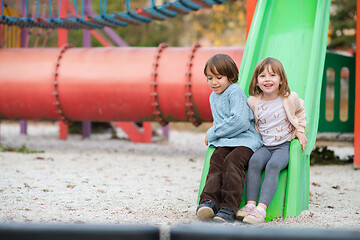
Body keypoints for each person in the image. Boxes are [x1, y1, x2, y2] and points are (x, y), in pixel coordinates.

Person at [236, 57, 307, 224]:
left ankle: (261, 209)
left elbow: (300, 111)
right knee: (254, 162)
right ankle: (250, 205)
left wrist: (300, 131)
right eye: (262, 76)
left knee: (273, 166)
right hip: (264, 146)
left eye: (273, 75)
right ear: (257, 81)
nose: (267, 79)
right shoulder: (253, 102)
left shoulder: (290, 98)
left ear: (281, 79)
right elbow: (246, 121)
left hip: (283, 147)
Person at [196, 54, 262, 223]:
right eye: (209, 78)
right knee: (216, 159)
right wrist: (216, 135)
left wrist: (212, 133)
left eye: (219, 77)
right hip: (227, 141)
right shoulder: (213, 97)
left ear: (231, 77)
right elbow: (220, 121)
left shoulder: (234, 91)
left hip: (246, 140)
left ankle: (228, 207)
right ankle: (208, 201)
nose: (214, 82)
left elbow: (239, 121)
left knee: (232, 161)